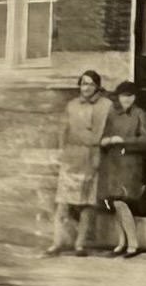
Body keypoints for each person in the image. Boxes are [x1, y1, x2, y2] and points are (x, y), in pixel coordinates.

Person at [47, 70, 112, 256]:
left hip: (93, 157)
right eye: (83, 84)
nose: (86, 88)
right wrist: (61, 152)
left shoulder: (107, 106)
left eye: (90, 84)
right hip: (72, 157)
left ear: (98, 86)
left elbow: (112, 129)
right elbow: (63, 131)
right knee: (63, 202)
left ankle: (80, 244)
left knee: (87, 203)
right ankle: (57, 242)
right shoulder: (72, 105)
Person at [99, 80, 146, 259]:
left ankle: (133, 244)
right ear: (118, 96)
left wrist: (125, 142)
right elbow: (103, 134)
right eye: (124, 96)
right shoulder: (112, 114)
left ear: (135, 97)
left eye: (131, 96)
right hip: (113, 163)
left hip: (131, 164)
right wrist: (106, 141)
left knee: (121, 202)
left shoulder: (140, 114)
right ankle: (121, 242)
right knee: (114, 203)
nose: (127, 99)